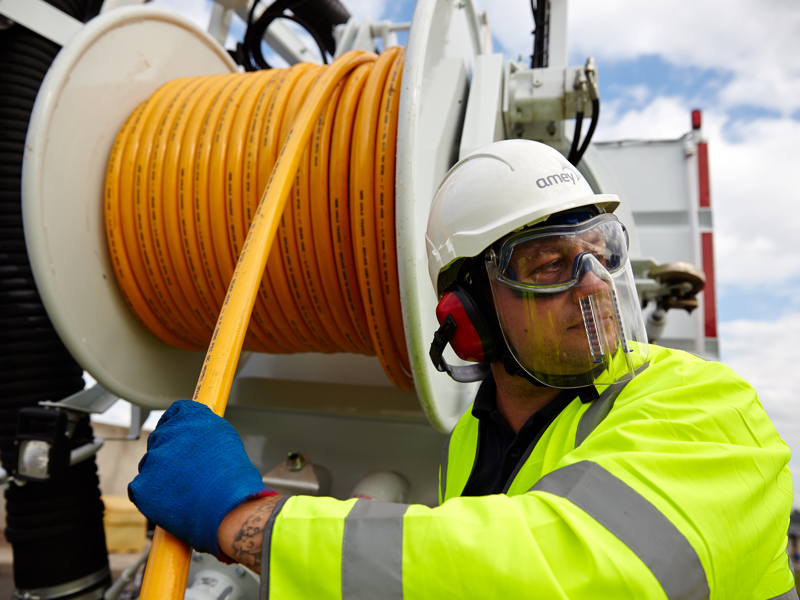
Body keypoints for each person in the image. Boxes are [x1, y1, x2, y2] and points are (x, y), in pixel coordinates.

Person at [129, 140, 795, 599]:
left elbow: (559, 574)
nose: (594, 283)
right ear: (468, 308)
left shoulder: (708, 405)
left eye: (603, 253)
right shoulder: (474, 439)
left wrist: (248, 522)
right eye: (550, 264)